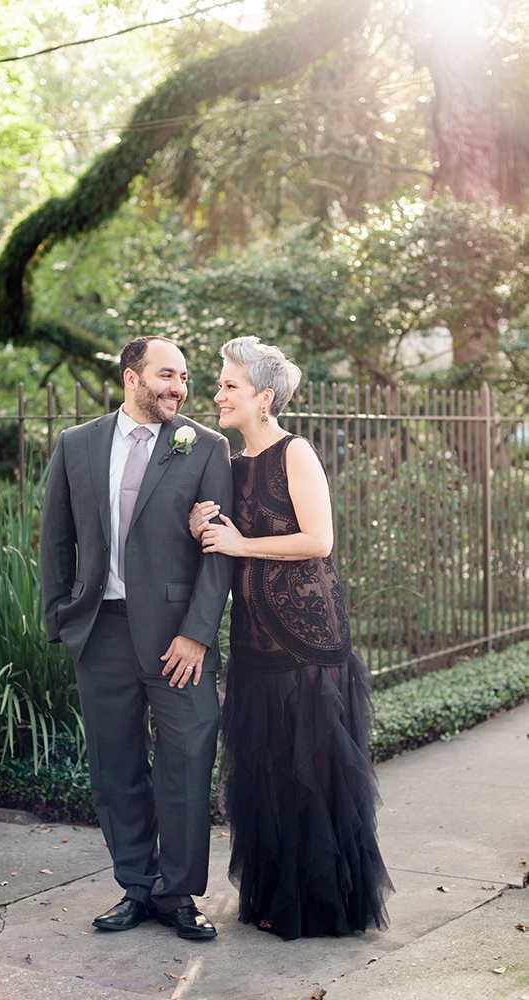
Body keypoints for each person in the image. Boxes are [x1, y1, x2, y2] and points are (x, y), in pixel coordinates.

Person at [189, 335, 394, 941]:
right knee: (265, 770)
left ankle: (324, 904)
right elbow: (216, 533)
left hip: (309, 638)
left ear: (265, 397)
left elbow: (318, 540)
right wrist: (200, 521)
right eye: (221, 383)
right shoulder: (230, 465)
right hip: (255, 640)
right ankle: (279, 895)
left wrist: (240, 544)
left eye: (229, 384)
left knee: (312, 769)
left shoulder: (294, 452)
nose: (218, 394)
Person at [40, 336, 233, 941]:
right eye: (166, 375)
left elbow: (219, 553)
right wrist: (63, 620)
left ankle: (178, 896)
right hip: (103, 633)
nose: (178, 387)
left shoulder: (206, 447)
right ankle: (135, 886)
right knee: (115, 766)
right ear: (131, 378)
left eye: (183, 377)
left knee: (186, 763)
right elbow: (55, 539)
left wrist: (198, 635)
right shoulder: (77, 445)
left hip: (179, 640)